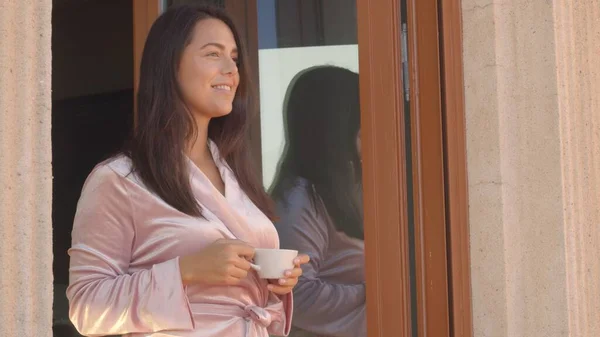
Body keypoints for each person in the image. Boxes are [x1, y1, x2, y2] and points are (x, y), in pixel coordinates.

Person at [66, 5, 309, 337]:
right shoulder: (118, 180)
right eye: (213, 54)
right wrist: (186, 270)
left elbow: (247, 303)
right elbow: (85, 306)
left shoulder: (236, 177)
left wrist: (274, 284)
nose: (231, 70)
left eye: (234, 58)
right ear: (170, 66)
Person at [270, 66, 365, 337]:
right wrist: (378, 294)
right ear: (336, 129)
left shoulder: (343, 192)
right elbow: (295, 297)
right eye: (360, 123)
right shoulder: (298, 202)